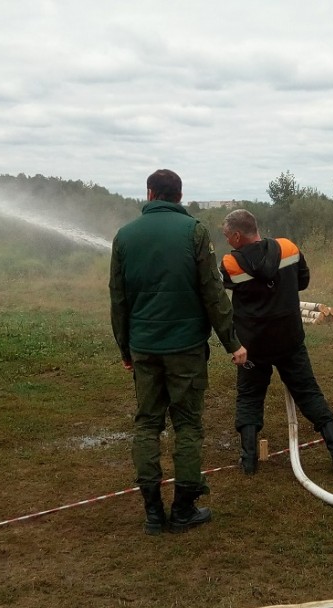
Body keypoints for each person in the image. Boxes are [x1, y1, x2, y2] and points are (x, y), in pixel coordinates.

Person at [109, 169, 248, 535]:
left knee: (147, 424)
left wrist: (125, 348)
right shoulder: (195, 232)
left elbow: (118, 300)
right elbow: (213, 294)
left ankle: (153, 511)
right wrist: (232, 342)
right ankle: (184, 508)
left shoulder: (124, 236)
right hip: (186, 349)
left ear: (150, 193)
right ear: (179, 195)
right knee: (187, 425)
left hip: (143, 348)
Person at [219, 209, 333, 475]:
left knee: (250, 397)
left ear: (238, 235)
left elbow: (230, 291)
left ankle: (248, 460)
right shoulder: (288, 248)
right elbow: (303, 281)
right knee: (309, 393)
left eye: (228, 236)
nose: (227, 241)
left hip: (252, 345)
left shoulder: (230, 263)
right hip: (289, 339)